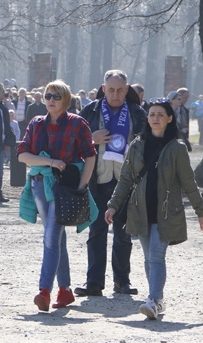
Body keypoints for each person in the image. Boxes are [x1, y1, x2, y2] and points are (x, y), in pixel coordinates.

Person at [105, 98, 203, 320]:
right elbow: (126, 179)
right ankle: (157, 300)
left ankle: (154, 299)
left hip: (167, 211)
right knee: (149, 258)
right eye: (152, 114)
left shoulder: (177, 148)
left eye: (160, 114)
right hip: (140, 209)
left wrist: (200, 211)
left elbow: (189, 183)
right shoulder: (137, 145)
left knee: (157, 255)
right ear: (147, 118)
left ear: (170, 118)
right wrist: (113, 205)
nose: (155, 118)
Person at [18, 80, 97, 311]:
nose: (51, 100)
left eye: (56, 96)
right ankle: (65, 290)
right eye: (48, 96)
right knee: (56, 236)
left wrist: (82, 186)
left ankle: (44, 290)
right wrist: (50, 161)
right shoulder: (36, 123)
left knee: (51, 237)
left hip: (65, 188)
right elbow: (23, 155)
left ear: (66, 100)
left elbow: (90, 156)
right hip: (39, 185)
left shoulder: (77, 123)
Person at [75, 70, 147, 297]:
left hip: (127, 182)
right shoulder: (89, 110)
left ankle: (122, 281)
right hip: (97, 180)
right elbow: (74, 143)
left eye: (120, 90)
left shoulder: (137, 113)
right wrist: (90, 139)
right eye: (111, 90)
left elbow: (147, 145)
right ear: (104, 89)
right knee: (96, 231)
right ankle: (94, 283)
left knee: (123, 233)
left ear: (127, 90)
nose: (115, 95)